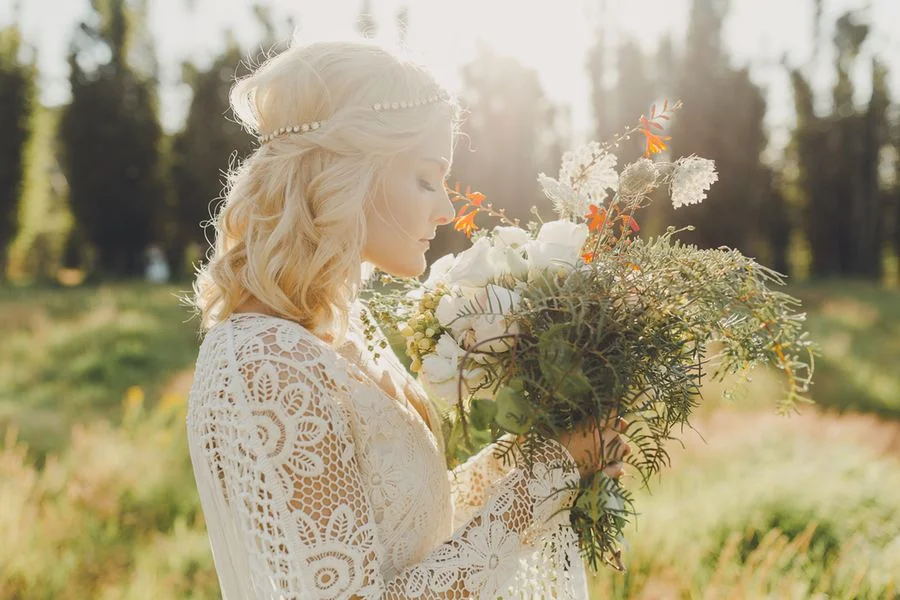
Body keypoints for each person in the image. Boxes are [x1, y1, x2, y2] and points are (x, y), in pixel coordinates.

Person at [185, 38, 630, 599]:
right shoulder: (264, 362)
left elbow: (404, 537)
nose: (445, 208)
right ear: (348, 173)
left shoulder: (338, 335)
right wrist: (545, 481)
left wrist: (549, 454)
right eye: (425, 178)